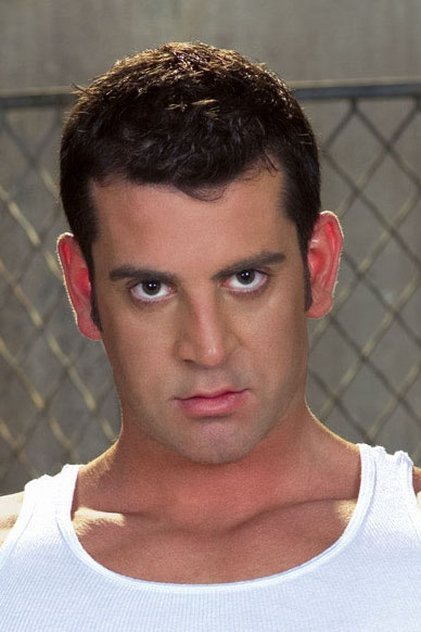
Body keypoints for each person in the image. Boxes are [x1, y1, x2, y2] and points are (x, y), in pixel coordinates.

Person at [0, 41, 420, 631]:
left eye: (246, 279)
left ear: (318, 268)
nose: (207, 348)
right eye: (151, 288)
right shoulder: (11, 569)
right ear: (84, 290)